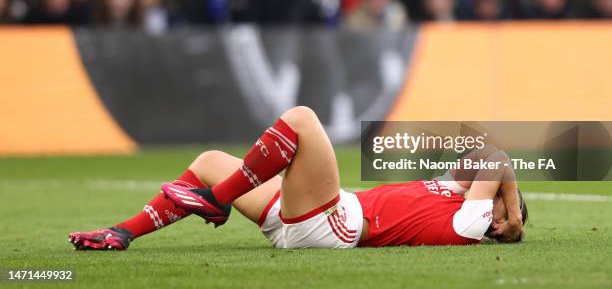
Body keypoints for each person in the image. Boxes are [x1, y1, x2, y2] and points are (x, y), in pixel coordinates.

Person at [69, 106, 527, 251]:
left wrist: (513, 213)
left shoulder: (470, 224)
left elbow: (496, 158)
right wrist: (507, 191)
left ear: (500, 219)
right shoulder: (455, 191)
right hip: (313, 218)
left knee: (303, 120)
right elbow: (485, 155)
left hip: (335, 224)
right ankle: (122, 233)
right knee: (210, 159)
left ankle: (215, 201)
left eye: (506, 204)